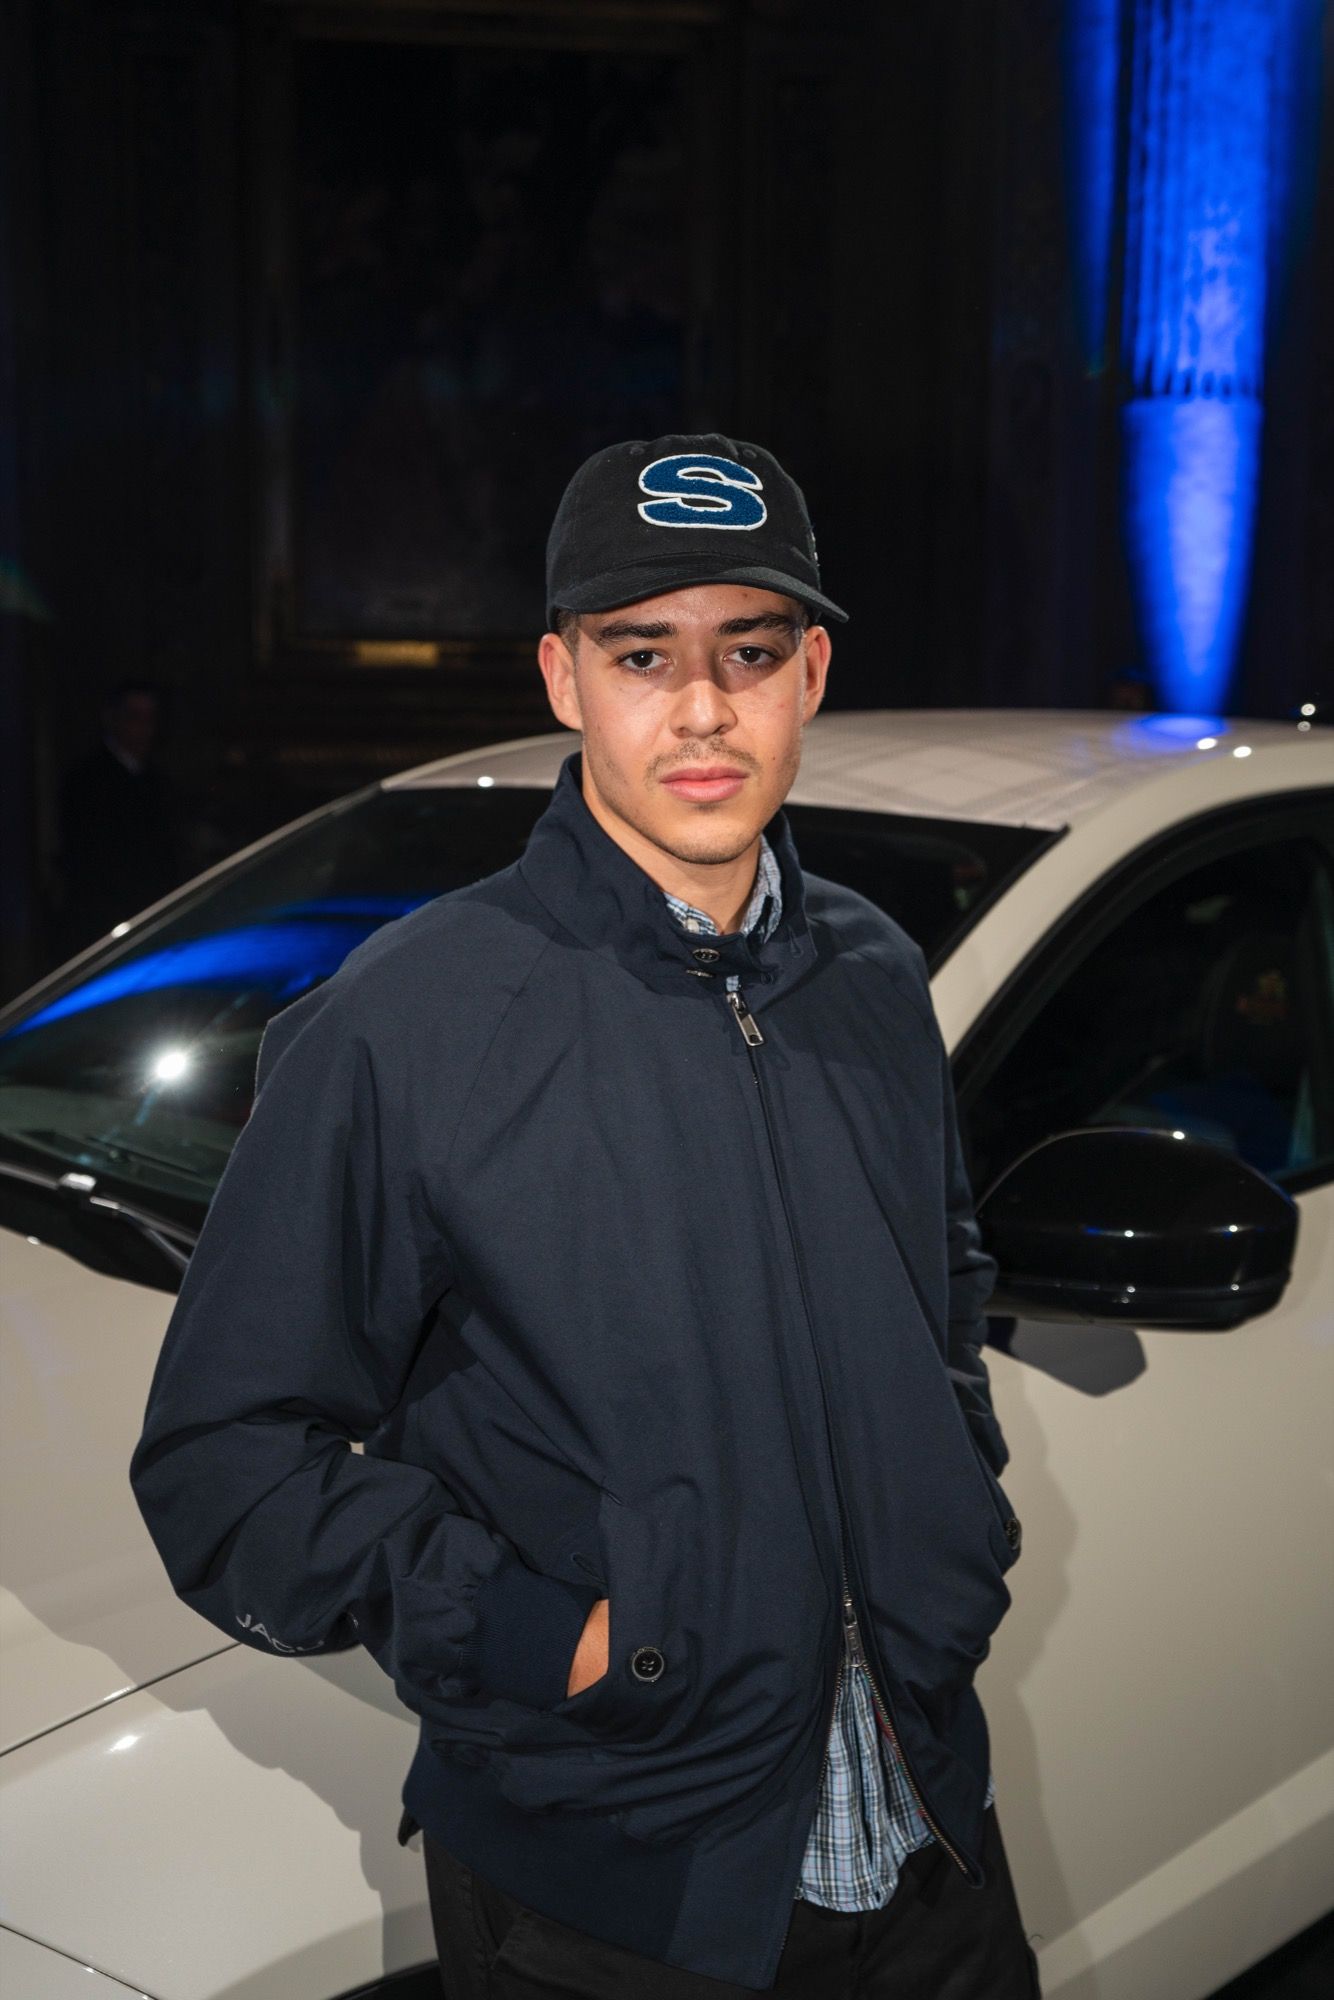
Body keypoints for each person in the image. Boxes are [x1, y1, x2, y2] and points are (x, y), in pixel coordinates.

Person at [129, 434, 1038, 1996]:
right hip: (615, 1893)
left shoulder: (875, 975)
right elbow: (224, 1462)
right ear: (562, 677)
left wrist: (950, 1510)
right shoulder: (406, 1023)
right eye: (642, 655)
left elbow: (937, 1285)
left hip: (923, 1821)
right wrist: (539, 1636)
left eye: (748, 652)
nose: (703, 710)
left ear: (810, 674)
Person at [55, 678, 183, 957]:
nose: (144, 728)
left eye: (150, 718)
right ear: (112, 719)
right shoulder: (86, 781)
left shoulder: (157, 781)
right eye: (134, 717)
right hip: (105, 926)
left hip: (151, 918)